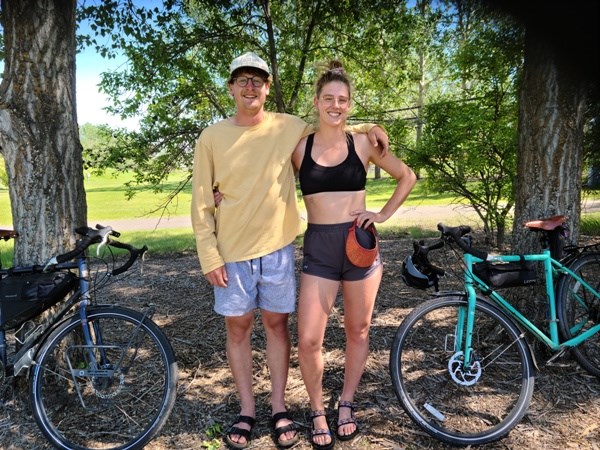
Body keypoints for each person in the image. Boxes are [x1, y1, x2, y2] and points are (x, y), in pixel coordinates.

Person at [191, 51, 388, 449]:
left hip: (278, 249)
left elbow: (334, 124)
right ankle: (248, 410)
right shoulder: (211, 137)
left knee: (278, 327)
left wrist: (372, 125)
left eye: (258, 80)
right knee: (238, 328)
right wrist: (209, 254)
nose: (250, 87)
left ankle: (279, 408)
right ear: (231, 87)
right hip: (230, 252)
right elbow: (200, 200)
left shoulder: (287, 127)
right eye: (243, 80)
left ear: (266, 88)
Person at [292, 60, 417, 450]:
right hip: (319, 247)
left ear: (350, 104)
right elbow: (260, 177)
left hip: (359, 245)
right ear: (316, 101)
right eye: (328, 98)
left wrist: (381, 213)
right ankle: (316, 410)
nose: (335, 105)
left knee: (357, 330)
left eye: (342, 100)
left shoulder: (363, 143)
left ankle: (346, 403)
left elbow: (407, 176)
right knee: (310, 338)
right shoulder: (299, 147)